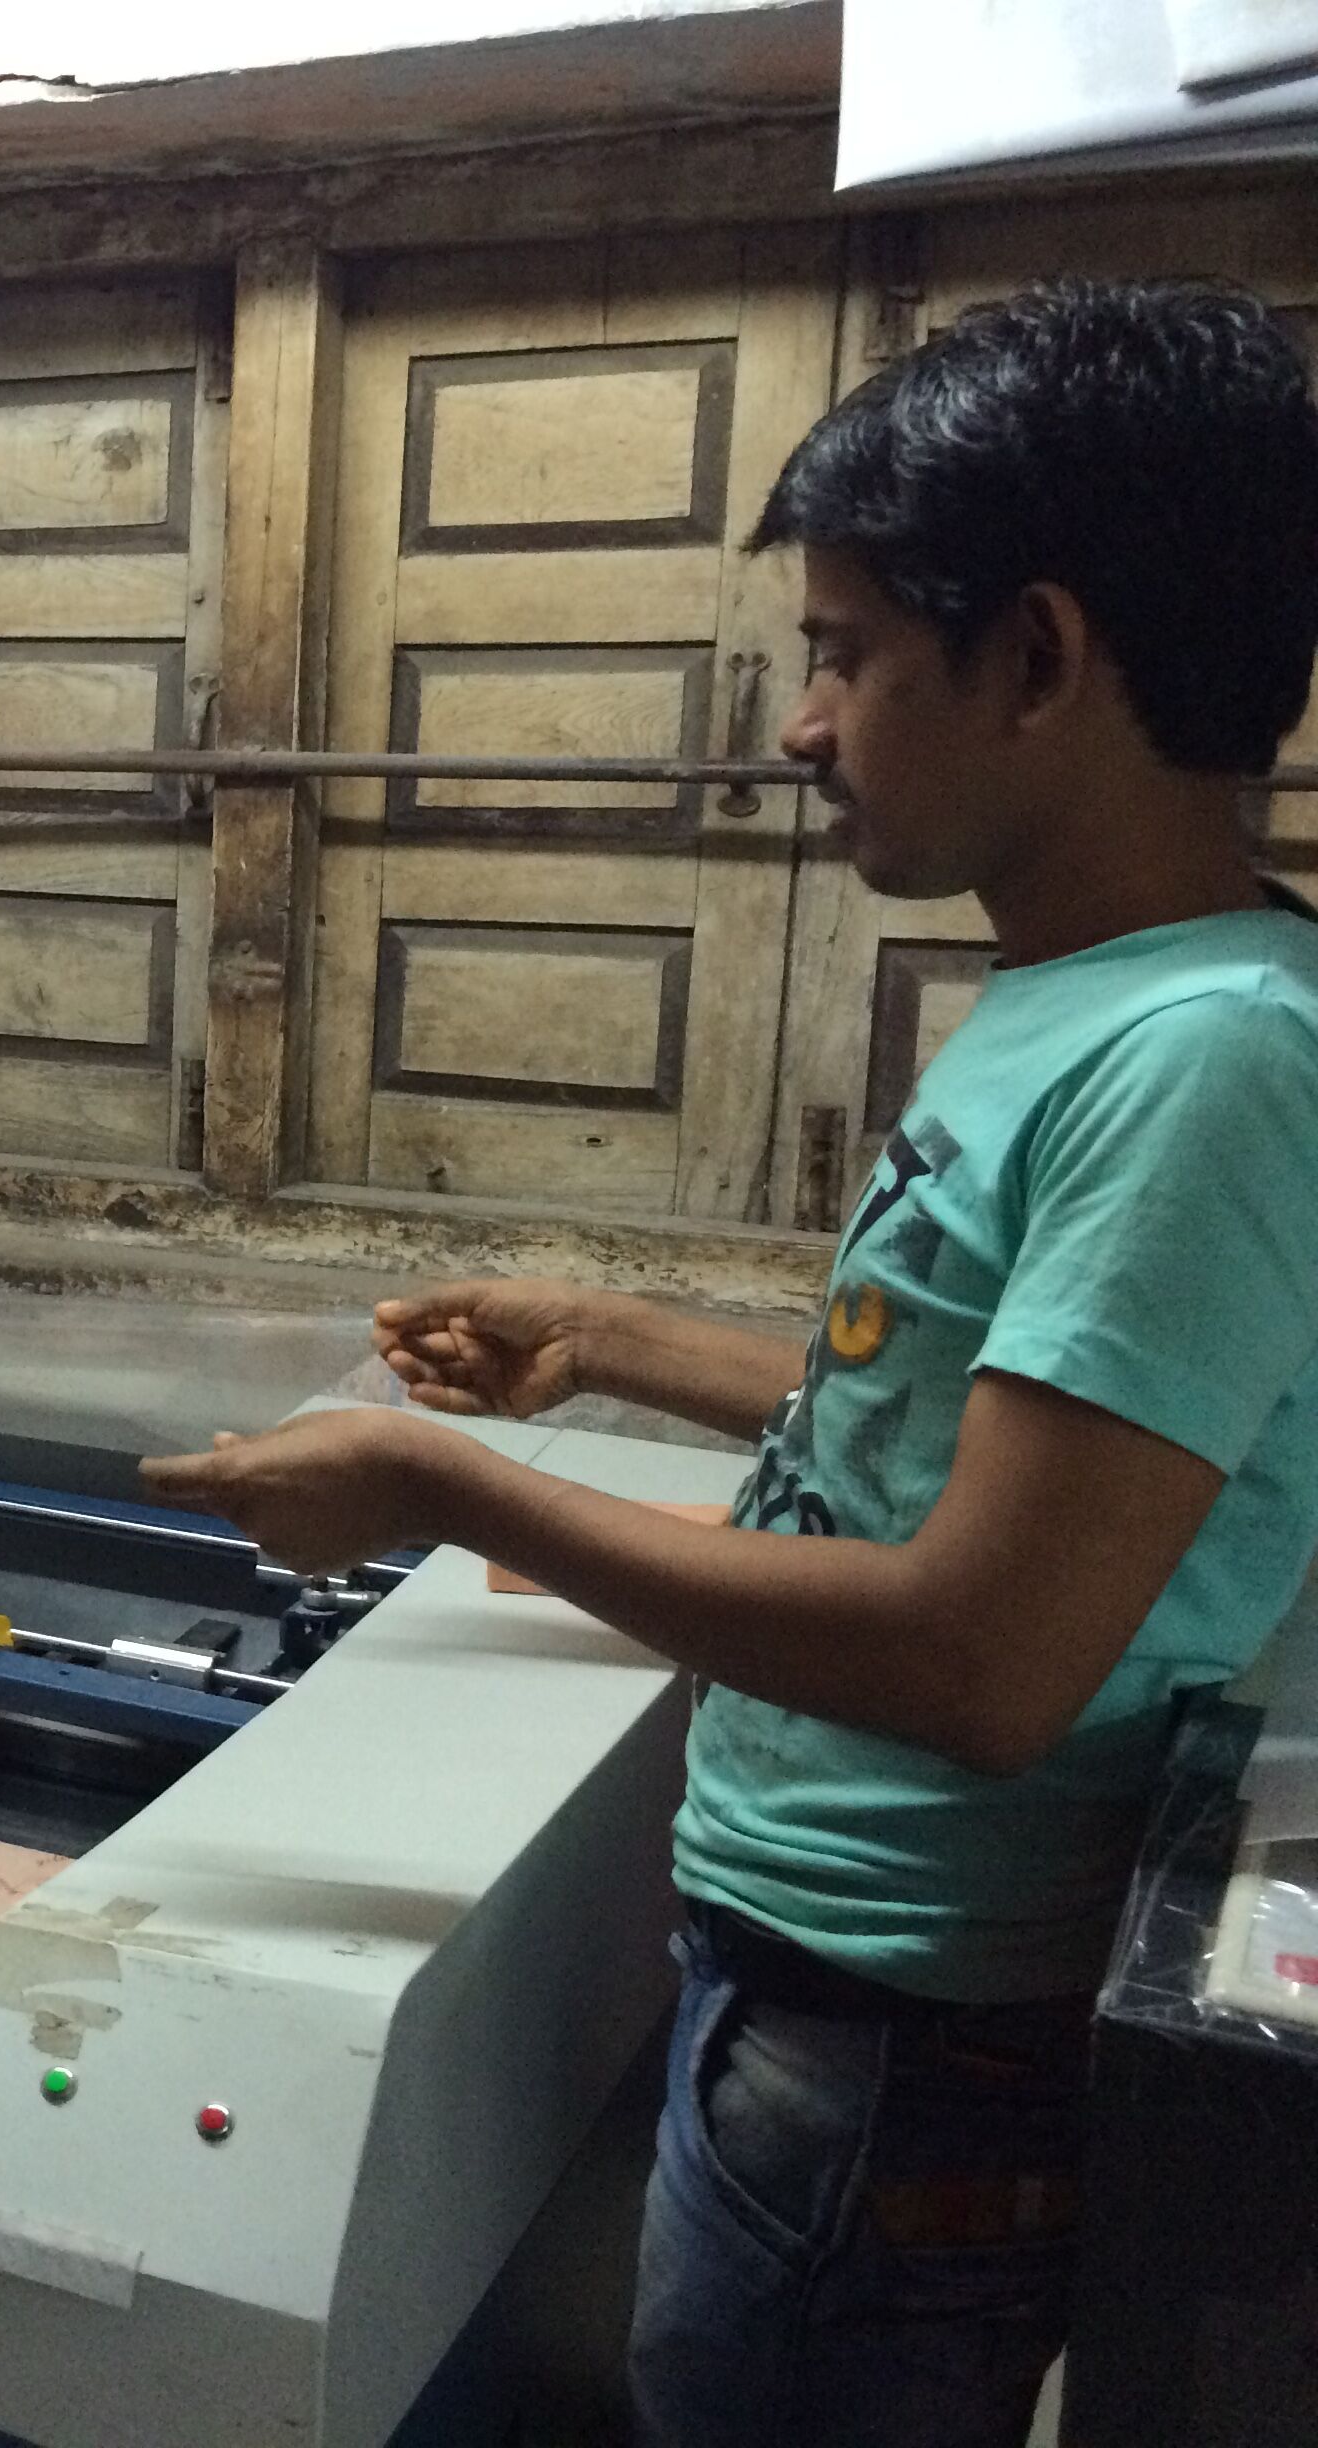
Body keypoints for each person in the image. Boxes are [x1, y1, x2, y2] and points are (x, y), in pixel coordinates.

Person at [143, 279, 1318, 2447]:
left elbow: (983, 1650)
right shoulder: (1090, 995)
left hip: (899, 2053)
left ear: (1038, 658)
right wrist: (605, 1342)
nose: (800, 725)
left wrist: (430, 1485)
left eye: (845, 656)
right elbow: (946, 1431)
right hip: (826, 2000)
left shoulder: (1206, 1058)